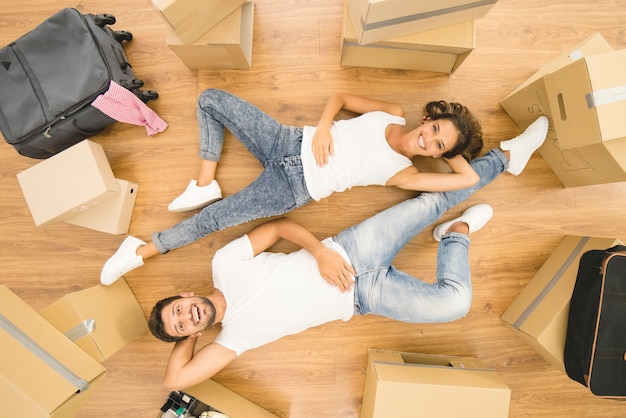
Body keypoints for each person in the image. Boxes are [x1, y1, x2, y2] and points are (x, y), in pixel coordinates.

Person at [143, 114, 548, 390]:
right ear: (193, 335)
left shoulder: (223, 265)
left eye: (179, 309)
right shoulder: (231, 340)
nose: (187, 315)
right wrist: (185, 333)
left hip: (350, 249)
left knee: (430, 203)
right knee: (455, 304)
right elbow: (172, 381)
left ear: (185, 294)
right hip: (361, 297)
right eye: (182, 324)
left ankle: (507, 156)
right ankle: (456, 234)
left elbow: (277, 228)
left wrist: (319, 252)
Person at [100, 89, 493, 285]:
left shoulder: (405, 173)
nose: (429, 139)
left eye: (440, 145)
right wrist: (323, 129)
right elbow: (338, 97)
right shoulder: (389, 113)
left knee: (212, 221)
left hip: (291, 185)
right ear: (427, 117)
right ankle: (205, 181)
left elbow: (469, 177)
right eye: (435, 128)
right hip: (287, 140)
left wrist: (454, 148)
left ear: (441, 154)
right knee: (210, 99)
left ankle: (140, 250)